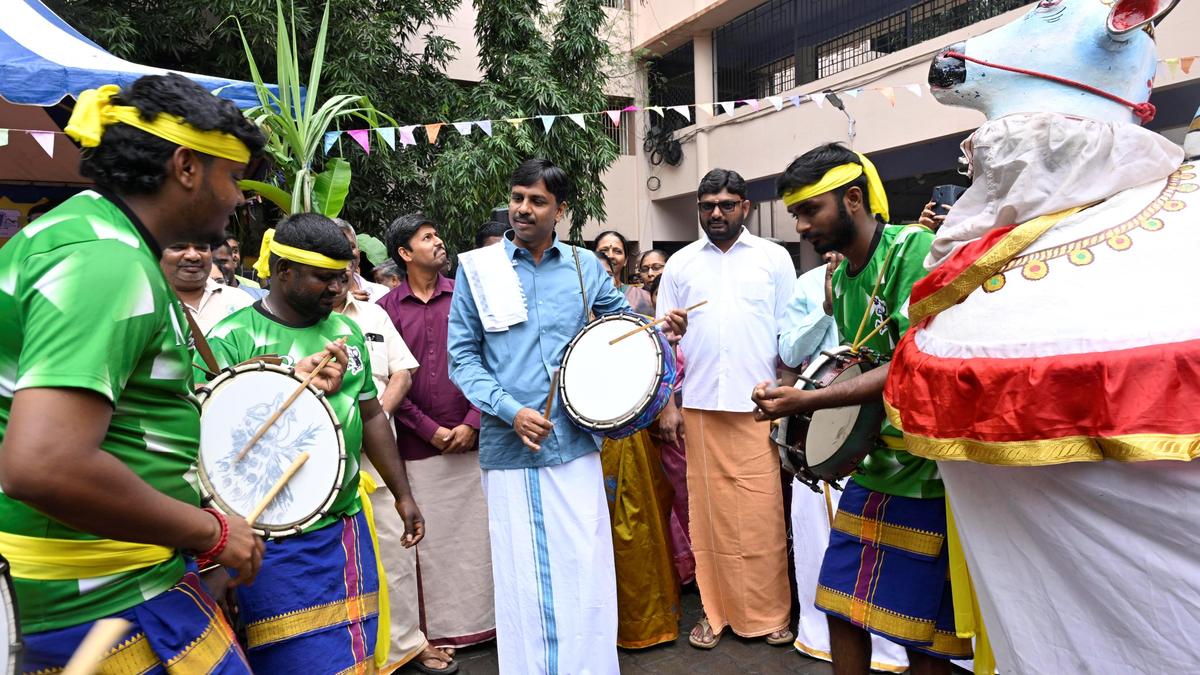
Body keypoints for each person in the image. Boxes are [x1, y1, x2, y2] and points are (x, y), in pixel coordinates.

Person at [0, 73, 272, 672]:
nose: (239, 198)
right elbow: (45, 463)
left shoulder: (83, 235)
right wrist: (211, 533)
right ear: (186, 166)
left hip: (116, 583)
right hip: (103, 605)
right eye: (233, 177)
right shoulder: (106, 261)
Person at [448, 158, 687, 673]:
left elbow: (624, 328)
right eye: (517, 198)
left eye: (537, 201)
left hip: (577, 445)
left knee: (585, 568)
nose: (523, 209)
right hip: (510, 452)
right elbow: (461, 358)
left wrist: (661, 328)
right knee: (522, 581)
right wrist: (511, 412)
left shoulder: (583, 267)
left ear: (561, 210)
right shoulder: (478, 270)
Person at [753, 143, 972, 672]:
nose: (801, 226)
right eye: (795, 214)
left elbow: (906, 363)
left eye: (810, 210)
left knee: (925, 632)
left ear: (853, 199)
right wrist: (803, 410)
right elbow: (855, 366)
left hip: (927, 468)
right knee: (839, 604)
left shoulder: (913, 248)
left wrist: (810, 399)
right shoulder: (843, 278)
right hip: (876, 467)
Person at [201, 212, 426, 674]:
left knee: (353, 657)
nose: (336, 290)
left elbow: (372, 416)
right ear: (284, 272)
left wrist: (403, 494)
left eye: (341, 279)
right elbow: (211, 450)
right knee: (290, 661)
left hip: (343, 529)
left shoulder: (347, 333)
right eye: (323, 279)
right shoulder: (231, 338)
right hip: (264, 540)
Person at [655, 168, 796, 650]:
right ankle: (715, 613)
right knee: (708, 516)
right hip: (696, 406)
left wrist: (788, 396)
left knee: (761, 515)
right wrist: (668, 405)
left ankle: (770, 613)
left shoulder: (774, 259)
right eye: (707, 205)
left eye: (726, 204)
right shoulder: (680, 264)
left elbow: (789, 336)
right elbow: (663, 341)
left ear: (746, 207)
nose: (716, 213)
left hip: (757, 406)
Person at [776, 256, 910, 672]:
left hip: (879, 432)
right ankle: (820, 635)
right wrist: (826, 309)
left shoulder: (891, 268)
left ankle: (892, 648)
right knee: (823, 542)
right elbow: (789, 350)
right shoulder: (807, 284)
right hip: (818, 434)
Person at [377, 214, 495, 672]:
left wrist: (471, 421)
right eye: (426, 238)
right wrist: (430, 430)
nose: (438, 241)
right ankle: (434, 634)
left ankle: (488, 624)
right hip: (416, 449)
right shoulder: (385, 308)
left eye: (436, 234)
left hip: (477, 443)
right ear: (405, 254)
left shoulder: (469, 297)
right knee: (427, 546)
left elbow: (493, 361)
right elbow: (388, 381)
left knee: (478, 541)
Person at [593, 252, 681, 649]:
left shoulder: (635, 303)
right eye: (601, 254)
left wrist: (666, 406)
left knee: (636, 527)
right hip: (585, 435)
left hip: (629, 432)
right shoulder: (570, 309)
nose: (607, 260)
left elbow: (658, 359)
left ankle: (643, 624)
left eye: (614, 254)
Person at [162, 240, 255, 334]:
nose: (193, 256)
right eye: (179, 248)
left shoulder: (241, 301)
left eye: (201, 247)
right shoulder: (150, 304)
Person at [595, 230, 653, 314]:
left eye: (617, 251)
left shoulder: (644, 298)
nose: (610, 256)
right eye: (603, 251)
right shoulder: (582, 296)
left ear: (625, 260)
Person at [334, 219, 390, 302]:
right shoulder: (315, 297)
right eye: (338, 247)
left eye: (351, 247)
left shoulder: (382, 293)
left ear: (359, 253)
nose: (346, 253)